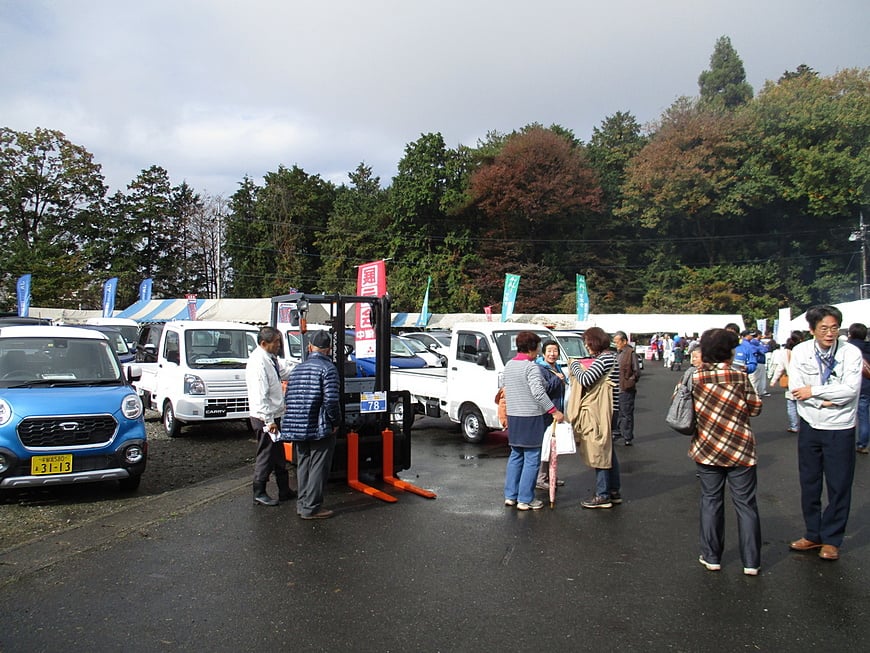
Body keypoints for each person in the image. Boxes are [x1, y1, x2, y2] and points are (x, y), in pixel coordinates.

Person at [787, 305, 863, 560]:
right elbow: (797, 388)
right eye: (823, 329)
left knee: (839, 484)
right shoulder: (800, 351)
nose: (829, 334)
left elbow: (851, 390)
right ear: (812, 330)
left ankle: (832, 539)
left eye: (833, 328)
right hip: (810, 424)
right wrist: (825, 399)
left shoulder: (850, 353)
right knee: (809, 483)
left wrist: (815, 392)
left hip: (840, 427)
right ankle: (812, 534)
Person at [690, 328, 763, 575]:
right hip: (740, 448)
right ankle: (751, 562)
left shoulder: (695, 377)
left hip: (707, 447)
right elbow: (755, 408)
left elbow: (682, 410)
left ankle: (712, 557)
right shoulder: (739, 376)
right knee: (746, 504)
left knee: (711, 501)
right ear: (728, 352)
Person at [279, 330, 341, 519]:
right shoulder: (328, 369)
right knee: (318, 466)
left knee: (303, 464)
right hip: (318, 424)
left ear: (309, 347)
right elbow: (331, 400)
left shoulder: (298, 369)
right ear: (329, 349)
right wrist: (336, 421)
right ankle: (311, 508)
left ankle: (302, 503)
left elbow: (289, 396)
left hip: (297, 424)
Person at [502, 331, 564, 511]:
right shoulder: (531, 367)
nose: (538, 350)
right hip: (531, 417)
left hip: (514, 417)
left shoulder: (509, 365)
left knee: (516, 455)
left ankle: (511, 495)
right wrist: (554, 411)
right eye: (538, 347)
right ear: (532, 348)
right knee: (531, 458)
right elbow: (538, 392)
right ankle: (525, 499)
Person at [569, 327, 621, 509]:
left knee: (599, 450)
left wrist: (574, 365)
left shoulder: (604, 359)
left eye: (587, 343)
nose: (586, 347)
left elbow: (585, 379)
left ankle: (602, 494)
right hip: (611, 411)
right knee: (608, 450)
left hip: (601, 412)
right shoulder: (611, 357)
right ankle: (613, 491)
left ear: (595, 342)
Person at [246, 326, 295, 506]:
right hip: (264, 418)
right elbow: (260, 395)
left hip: (274, 415)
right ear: (264, 343)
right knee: (266, 454)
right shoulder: (258, 363)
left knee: (278, 453)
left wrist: (304, 367)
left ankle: (284, 489)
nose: (278, 345)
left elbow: (283, 371)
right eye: (276, 342)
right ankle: (259, 492)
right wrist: (269, 421)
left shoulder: (270, 359)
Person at [535, 339, 567, 490]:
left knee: (555, 445)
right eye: (549, 351)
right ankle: (541, 479)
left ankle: (552, 475)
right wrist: (556, 379)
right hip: (547, 413)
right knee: (546, 445)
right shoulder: (540, 369)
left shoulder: (557, 367)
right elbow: (543, 391)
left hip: (558, 411)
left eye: (555, 351)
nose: (552, 354)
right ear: (543, 353)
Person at [768, 331, 804, 433]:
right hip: (804, 381)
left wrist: (773, 380)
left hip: (791, 382)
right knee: (805, 405)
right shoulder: (804, 351)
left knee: (791, 404)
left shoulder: (785, 353)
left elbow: (780, 368)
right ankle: (807, 426)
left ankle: (794, 426)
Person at [846, 323, 870, 455]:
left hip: (857, 385)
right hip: (868, 385)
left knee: (852, 415)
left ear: (851, 333)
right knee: (865, 415)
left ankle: (857, 443)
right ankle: (863, 443)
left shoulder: (849, 348)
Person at [613, 331, 640, 446]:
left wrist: (630, 381)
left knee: (626, 413)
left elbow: (637, 371)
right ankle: (618, 431)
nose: (616, 344)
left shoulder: (630, 353)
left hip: (626, 389)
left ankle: (627, 436)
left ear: (624, 341)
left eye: (617, 342)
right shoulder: (618, 353)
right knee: (617, 412)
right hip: (616, 388)